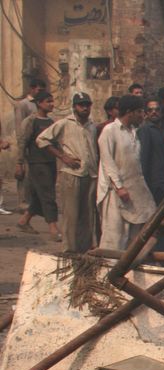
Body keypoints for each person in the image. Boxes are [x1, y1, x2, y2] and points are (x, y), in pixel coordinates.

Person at [35, 92, 98, 252]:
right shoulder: (65, 123)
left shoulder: (92, 125)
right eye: (81, 105)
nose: (85, 108)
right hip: (71, 174)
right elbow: (42, 139)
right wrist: (63, 156)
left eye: (87, 104)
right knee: (71, 215)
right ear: (75, 106)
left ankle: (83, 250)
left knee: (88, 215)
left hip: (90, 174)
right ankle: (68, 249)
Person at [97, 95, 155, 250]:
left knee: (133, 236)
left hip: (134, 190)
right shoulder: (110, 131)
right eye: (140, 112)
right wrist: (119, 187)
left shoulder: (134, 132)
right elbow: (107, 162)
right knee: (114, 236)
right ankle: (107, 270)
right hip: (114, 192)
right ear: (129, 112)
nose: (142, 116)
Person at [16, 91, 59, 239]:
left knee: (38, 195)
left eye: (52, 101)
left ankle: (24, 220)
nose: (52, 104)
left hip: (50, 162)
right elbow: (22, 143)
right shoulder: (31, 121)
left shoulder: (51, 122)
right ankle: (53, 227)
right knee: (48, 195)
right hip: (37, 163)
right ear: (39, 103)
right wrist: (19, 163)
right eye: (48, 101)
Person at [138, 99, 164, 204]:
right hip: (152, 180)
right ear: (146, 113)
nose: (154, 112)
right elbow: (144, 157)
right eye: (150, 110)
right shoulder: (145, 130)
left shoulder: (161, 129)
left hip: (162, 178)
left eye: (157, 109)